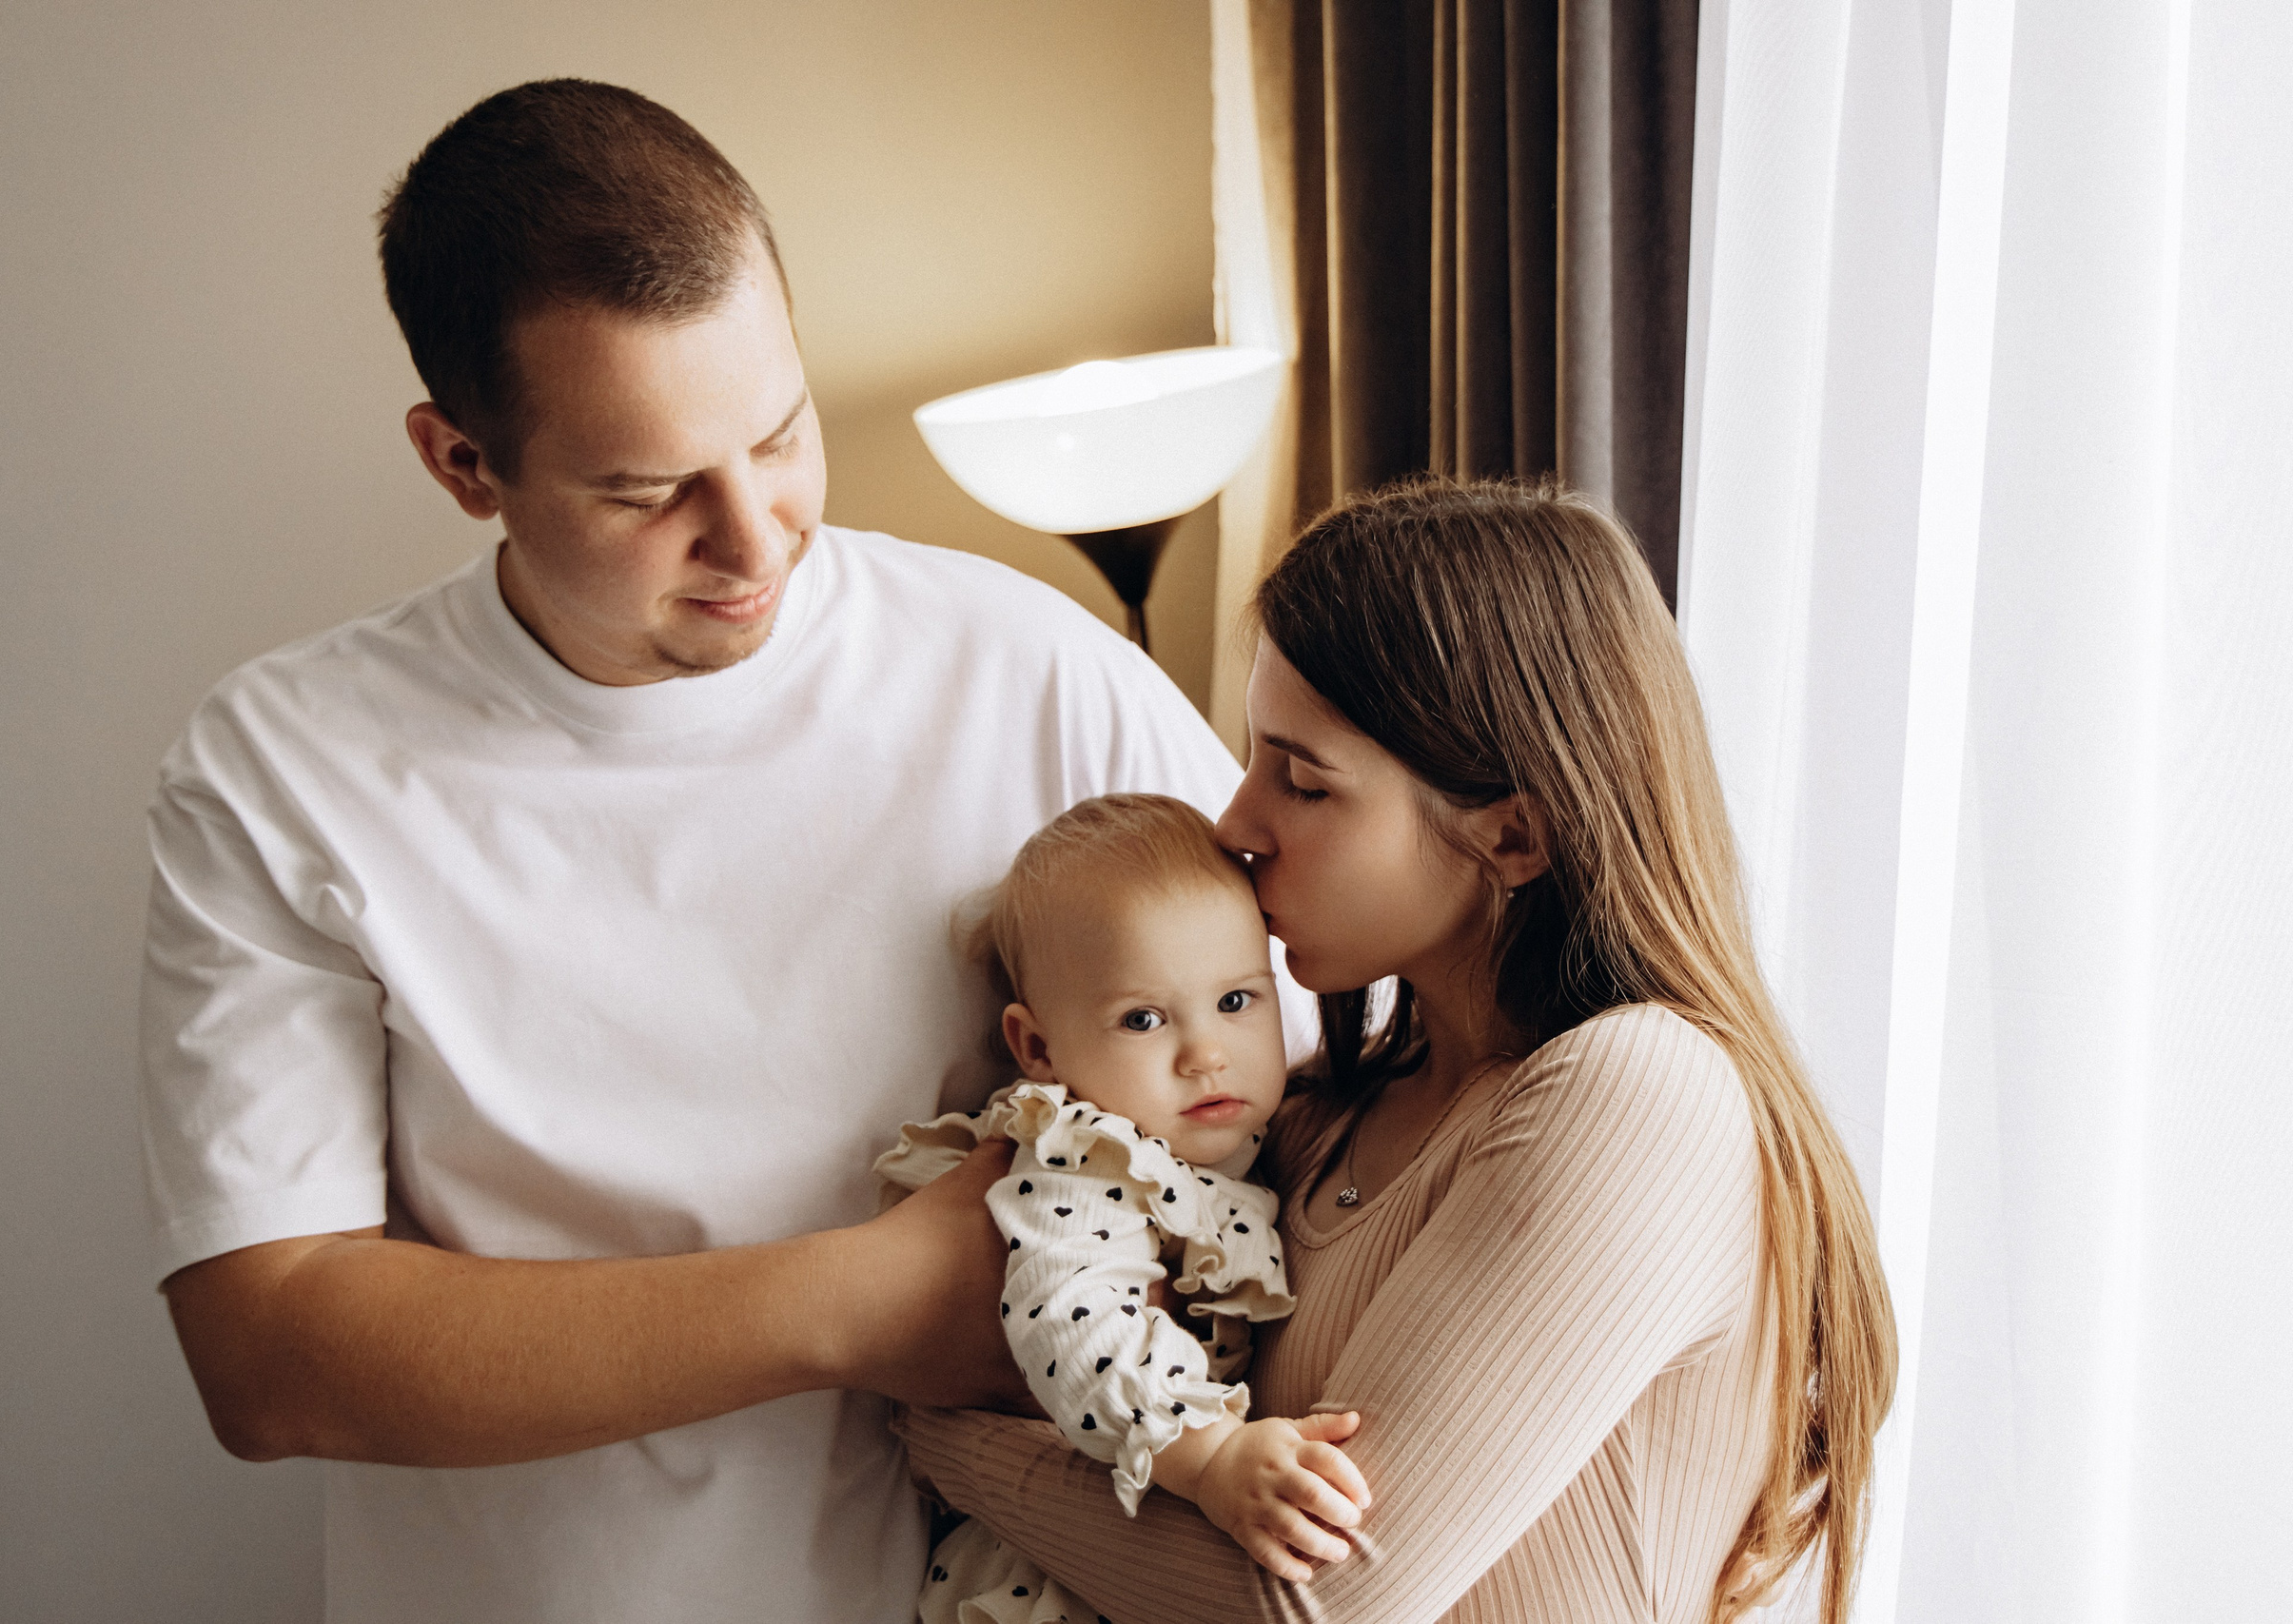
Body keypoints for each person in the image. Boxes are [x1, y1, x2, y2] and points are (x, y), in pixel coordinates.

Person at [139, 79, 1282, 1624]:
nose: (755, 538)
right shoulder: (284, 768)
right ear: (463, 463)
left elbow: (1327, 1068)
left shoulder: (1036, 671)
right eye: (648, 489)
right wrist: (855, 1301)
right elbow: (269, 1350)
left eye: (780, 434)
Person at [900, 477, 1899, 1624]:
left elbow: (1309, 1605)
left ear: (1512, 833)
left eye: (1302, 778)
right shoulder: (1313, 1116)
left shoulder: (1638, 1093)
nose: (1234, 823)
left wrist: (945, 1436)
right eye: (1252, 758)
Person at [872, 794, 1368, 1623]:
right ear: (1037, 1047)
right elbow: (1068, 1313)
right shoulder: (1083, 1156)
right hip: (1045, 1574)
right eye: (1143, 1018)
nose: (1206, 1052)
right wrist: (1209, 1458)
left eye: (1239, 1000)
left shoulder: (1265, 1138)